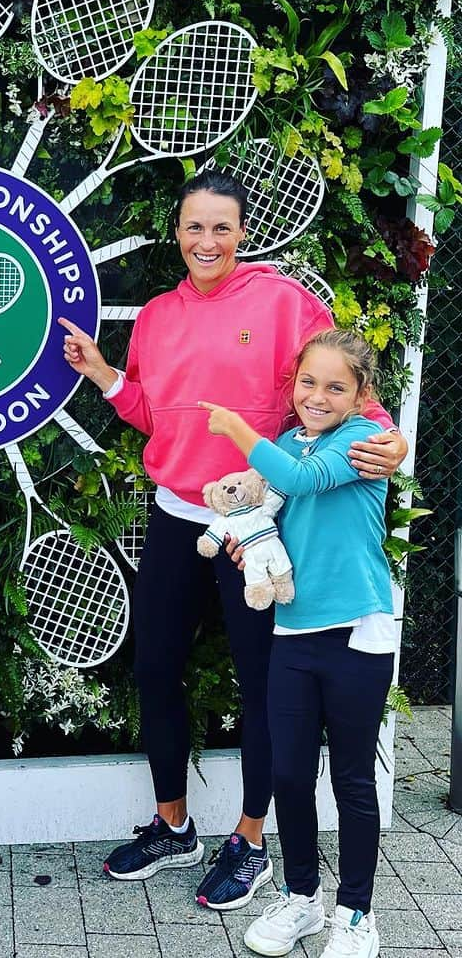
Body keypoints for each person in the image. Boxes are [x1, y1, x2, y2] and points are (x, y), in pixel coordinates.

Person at [57, 169, 405, 911]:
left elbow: (344, 383)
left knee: (261, 688)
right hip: (177, 514)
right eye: (194, 226)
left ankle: (251, 841)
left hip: (260, 529)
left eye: (221, 226)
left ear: (242, 232)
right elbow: (156, 412)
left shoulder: (285, 303)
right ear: (177, 234)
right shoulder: (155, 314)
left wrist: (390, 439)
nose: (206, 240)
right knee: (154, 668)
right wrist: (106, 375)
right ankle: (173, 824)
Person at [201, 327, 394, 958]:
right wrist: (245, 540)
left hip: (356, 635)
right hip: (294, 634)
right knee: (288, 773)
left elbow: (301, 481)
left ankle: (357, 913)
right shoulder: (286, 444)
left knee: (352, 781)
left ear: (361, 393)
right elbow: (274, 508)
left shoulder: (365, 441)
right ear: (294, 384)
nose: (318, 395)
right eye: (308, 382)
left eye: (336, 385)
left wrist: (234, 428)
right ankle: (302, 898)